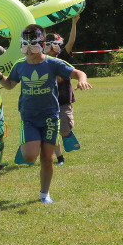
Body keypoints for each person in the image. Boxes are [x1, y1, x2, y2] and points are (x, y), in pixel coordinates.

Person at [0, 24, 92, 204]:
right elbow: (10, 84)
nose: (28, 51)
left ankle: (44, 193)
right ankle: (32, 142)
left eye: (32, 47)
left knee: (47, 159)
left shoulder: (52, 63)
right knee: (30, 157)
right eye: (25, 47)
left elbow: (78, 72)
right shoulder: (20, 65)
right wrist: (1, 77)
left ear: (41, 44)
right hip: (29, 118)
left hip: (50, 117)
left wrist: (82, 80)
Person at [44, 14, 80, 164]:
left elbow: (71, 42)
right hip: (47, 103)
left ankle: (68, 135)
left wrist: (74, 23)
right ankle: (60, 157)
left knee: (63, 130)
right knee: (51, 133)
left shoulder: (63, 57)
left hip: (64, 102)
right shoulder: (40, 60)